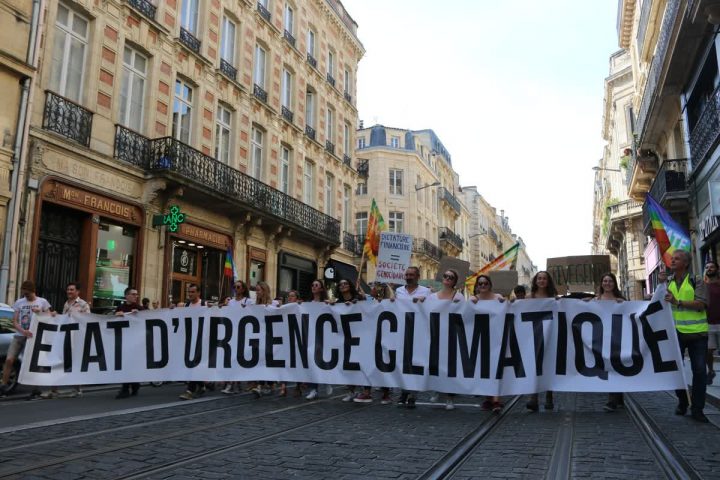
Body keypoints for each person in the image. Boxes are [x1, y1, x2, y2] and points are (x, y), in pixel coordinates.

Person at [663, 250, 709, 423]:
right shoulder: (668, 282)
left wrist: (678, 302)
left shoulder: (696, 280)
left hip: (697, 334)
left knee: (699, 372)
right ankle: (683, 401)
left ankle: (697, 409)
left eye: (677, 259)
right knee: (676, 371)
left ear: (686, 263)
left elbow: (702, 304)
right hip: (676, 334)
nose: (672, 261)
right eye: (672, 259)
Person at [0, 281, 51, 397]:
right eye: (24, 294)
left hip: (34, 336)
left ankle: (36, 389)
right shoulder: (19, 302)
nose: (26, 296)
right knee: (9, 360)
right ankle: (3, 385)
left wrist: (41, 312)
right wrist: (23, 331)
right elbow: (14, 321)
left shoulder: (42, 302)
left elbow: (49, 318)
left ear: (33, 291)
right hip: (19, 335)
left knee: (34, 363)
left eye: (27, 294)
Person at [584, 273, 626, 411]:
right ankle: (616, 396)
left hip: (616, 338)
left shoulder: (620, 300)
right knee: (607, 367)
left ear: (614, 283)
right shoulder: (595, 300)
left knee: (614, 366)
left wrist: (624, 304)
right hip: (601, 339)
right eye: (605, 281)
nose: (607, 283)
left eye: (610, 281)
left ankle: (613, 399)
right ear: (601, 283)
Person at [43, 282, 90, 399]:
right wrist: (55, 315)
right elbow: (63, 319)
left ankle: (77, 389)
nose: (69, 291)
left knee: (75, 363)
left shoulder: (83, 304)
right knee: (58, 361)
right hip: (65, 337)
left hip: (76, 338)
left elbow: (88, 320)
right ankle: (54, 389)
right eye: (68, 289)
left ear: (77, 292)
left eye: (72, 290)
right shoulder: (66, 304)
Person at [394, 267, 432, 408]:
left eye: (411, 274)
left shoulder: (425, 292)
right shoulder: (399, 291)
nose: (408, 277)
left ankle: (412, 394)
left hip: (419, 332)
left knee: (415, 362)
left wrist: (424, 300)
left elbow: (431, 308)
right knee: (403, 362)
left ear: (418, 276)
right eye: (407, 274)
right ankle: (404, 391)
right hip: (402, 331)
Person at [428, 269, 464, 410]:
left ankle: (450, 397)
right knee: (437, 364)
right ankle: (437, 390)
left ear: (455, 281)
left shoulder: (459, 296)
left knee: (450, 366)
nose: (448, 278)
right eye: (446, 276)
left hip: (452, 335)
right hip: (436, 335)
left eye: (451, 277)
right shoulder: (432, 297)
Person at [470, 275, 505, 413]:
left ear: (490, 285)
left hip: (497, 338)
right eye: (480, 284)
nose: (483, 286)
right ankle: (488, 398)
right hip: (481, 338)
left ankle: (496, 400)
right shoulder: (475, 299)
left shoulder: (498, 297)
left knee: (496, 368)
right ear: (477, 286)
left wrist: (505, 302)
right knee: (484, 369)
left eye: (485, 284)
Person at [354, 283, 393, 405]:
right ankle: (367, 391)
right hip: (369, 338)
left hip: (383, 338)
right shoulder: (369, 300)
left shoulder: (389, 303)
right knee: (367, 363)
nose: (372, 289)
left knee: (383, 365)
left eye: (374, 288)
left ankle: (386, 393)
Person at [525, 271, 558, 412]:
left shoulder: (554, 298)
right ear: (535, 281)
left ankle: (549, 395)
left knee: (548, 365)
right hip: (533, 335)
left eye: (544, 278)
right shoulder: (528, 298)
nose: (542, 281)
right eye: (539, 278)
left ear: (548, 281)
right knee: (534, 366)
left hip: (550, 336)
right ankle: (534, 397)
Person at [332, 278, 366, 402]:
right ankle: (351, 391)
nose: (343, 285)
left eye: (346, 283)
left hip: (360, 336)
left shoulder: (359, 298)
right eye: (340, 284)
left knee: (361, 364)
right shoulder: (338, 302)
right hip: (345, 337)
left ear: (350, 285)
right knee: (347, 365)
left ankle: (366, 390)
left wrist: (358, 303)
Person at [115, 287, 146, 399]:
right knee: (125, 364)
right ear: (126, 296)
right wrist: (117, 315)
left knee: (131, 364)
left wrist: (139, 315)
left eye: (136, 294)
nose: (135, 296)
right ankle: (130, 386)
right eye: (133, 294)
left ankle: (129, 387)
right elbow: (112, 321)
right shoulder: (121, 307)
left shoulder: (139, 308)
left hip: (136, 342)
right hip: (123, 341)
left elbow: (147, 321)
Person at [305, 280, 332, 400]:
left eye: (316, 285)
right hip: (311, 336)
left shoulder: (326, 303)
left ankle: (327, 381)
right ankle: (313, 389)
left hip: (324, 336)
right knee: (312, 362)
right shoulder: (308, 303)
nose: (313, 287)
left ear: (321, 289)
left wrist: (330, 305)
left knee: (323, 360)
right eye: (312, 285)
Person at [179, 284, 206, 400]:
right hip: (189, 338)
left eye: (192, 292)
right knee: (192, 363)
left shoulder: (205, 304)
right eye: (189, 292)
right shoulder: (186, 305)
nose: (190, 294)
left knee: (194, 362)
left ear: (198, 293)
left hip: (202, 338)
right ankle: (202, 385)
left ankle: (190, 390)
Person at [704, 260, 720, 385]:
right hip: (708, 323)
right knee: (708, 351)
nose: (709, 269)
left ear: (717, 269)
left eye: (712, 267)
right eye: (707, 267)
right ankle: (711, 371)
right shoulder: (702, 286)